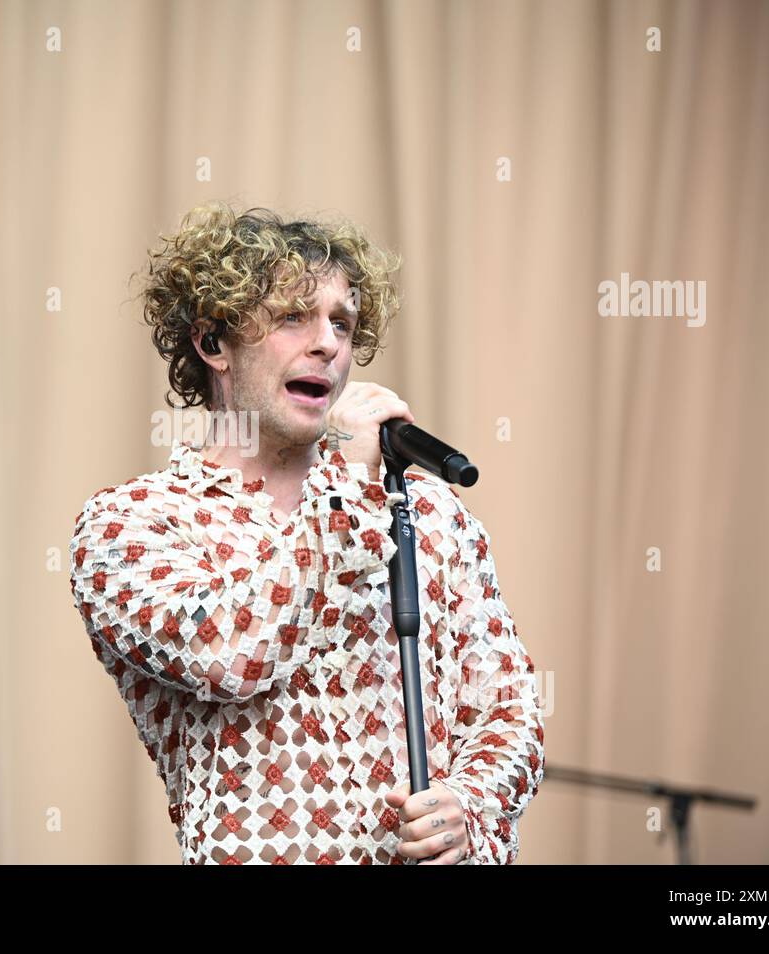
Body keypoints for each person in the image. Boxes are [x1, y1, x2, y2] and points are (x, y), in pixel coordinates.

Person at [69, 203, 544, 864]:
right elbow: (231, 654)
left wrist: (471, 805)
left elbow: (509, 709)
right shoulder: (134, 524)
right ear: (213, 343)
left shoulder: (427, 512)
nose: (328, 343)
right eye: (293, 317)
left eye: (342, 323)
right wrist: (348, 483)